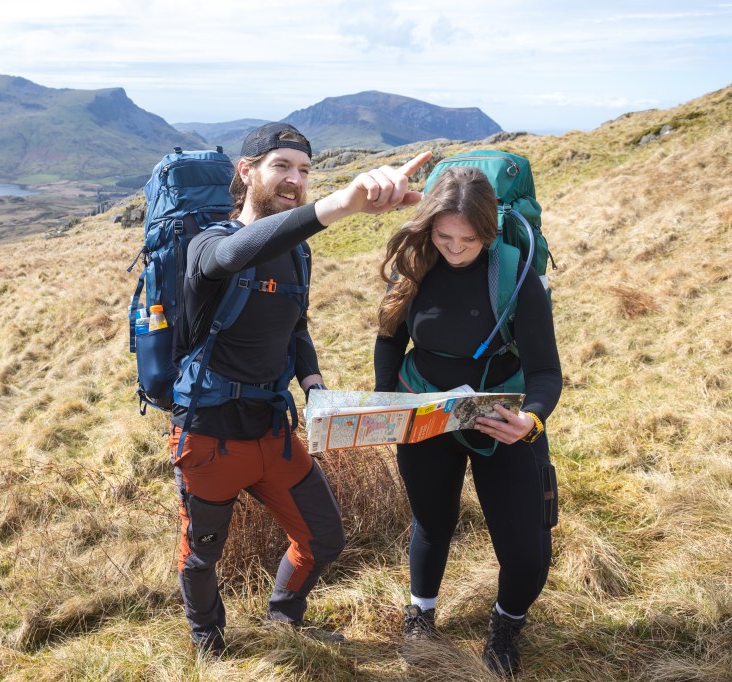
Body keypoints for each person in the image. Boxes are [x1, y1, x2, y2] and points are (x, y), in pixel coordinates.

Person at [170, 121, 431, 656]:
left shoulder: (297, 253)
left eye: (305, 170)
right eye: (281, 166)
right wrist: (340, 205)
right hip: (210, 435)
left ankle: (283, 620)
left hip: (273, 429)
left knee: (322, 537)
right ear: (247, 172)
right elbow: (232, 257)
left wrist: (313, 384)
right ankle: (209, 645)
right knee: (203, 552)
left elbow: (296, 328)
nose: (295, 179)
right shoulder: (208, 245)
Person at [373, 165, 562, 676]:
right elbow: (390, 338)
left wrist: (531, 421)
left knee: (527, 551)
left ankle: (505, 626)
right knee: (432, 523)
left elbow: (546, 372)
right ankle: (422, 615)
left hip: (500, 421)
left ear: (489, 232)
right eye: (443, 235)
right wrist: (386, 402)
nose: (454, 249)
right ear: (429, 224)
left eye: (468, 239)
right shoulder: (413, 265)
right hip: (425, 414)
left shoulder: (516, 276)